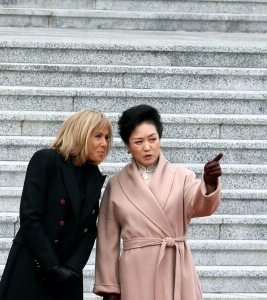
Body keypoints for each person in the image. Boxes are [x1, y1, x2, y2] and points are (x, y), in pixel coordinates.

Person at [93, 104, 223, 300]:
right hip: (135, 273)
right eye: (138, 142)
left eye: (152, 139)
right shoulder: (116, 185)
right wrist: (110, 289)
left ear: (160, 139)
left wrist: (209, 182)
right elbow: (107, 240)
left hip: (175, 265)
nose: (147, 147)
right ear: (128, 147)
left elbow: (199, 205)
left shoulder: (183, 176)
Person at [0, 110, 113, 300]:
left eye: (107, 137)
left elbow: (89, 229)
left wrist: (72, 268)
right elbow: (30, 217)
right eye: (98, 135)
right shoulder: (46, 160)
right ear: (80, 133)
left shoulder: (93, 175)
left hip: (67, 274)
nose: (104, 143)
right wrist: (52, 266)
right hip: (33, 265)